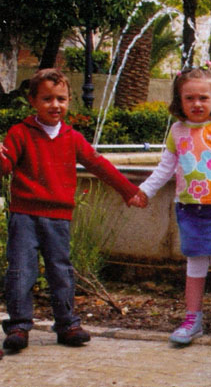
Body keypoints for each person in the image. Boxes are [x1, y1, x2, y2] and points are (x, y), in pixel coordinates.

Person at [0, 68, 140, 352]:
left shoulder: (72, 137)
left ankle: (67, 325)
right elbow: (5, 167)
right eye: (47, 99)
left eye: (61, 99)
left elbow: (98, 164)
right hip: (24, 215)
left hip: (58, 218)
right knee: (21, 270)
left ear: (69, 101)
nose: (55, 105)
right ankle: (18, 326)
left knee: (60, 270)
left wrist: (129, 190)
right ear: (33, 101)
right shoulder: (19, 133)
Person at [130, 66, 211, 347]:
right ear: (179, 101)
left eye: (203, 98)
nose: (197, 103)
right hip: (189, 210)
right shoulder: (177, 131)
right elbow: (165, 168)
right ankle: (193, 319)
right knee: (195, 264)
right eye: (189, 98)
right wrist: (144, 191)